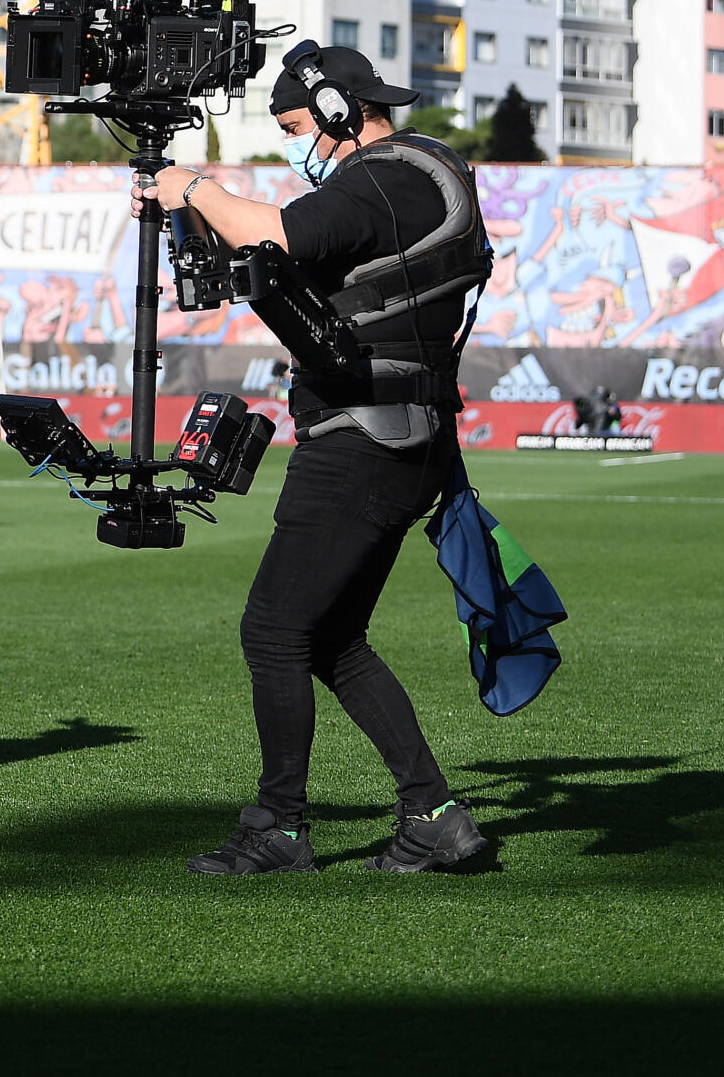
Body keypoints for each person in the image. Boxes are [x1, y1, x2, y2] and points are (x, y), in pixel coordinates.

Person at [136, 42, 491, 875]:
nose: (300, 144)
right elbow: (273, 261)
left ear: (337, 111)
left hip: (364, 438)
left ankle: (278, 826)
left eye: (298, 125)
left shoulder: (383, 177)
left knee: (272, 628)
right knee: (331, 636)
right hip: (400, 433)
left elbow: (277, 233)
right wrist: (198, 212)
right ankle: (435, 816)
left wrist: (187, 184)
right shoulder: (416, 174)